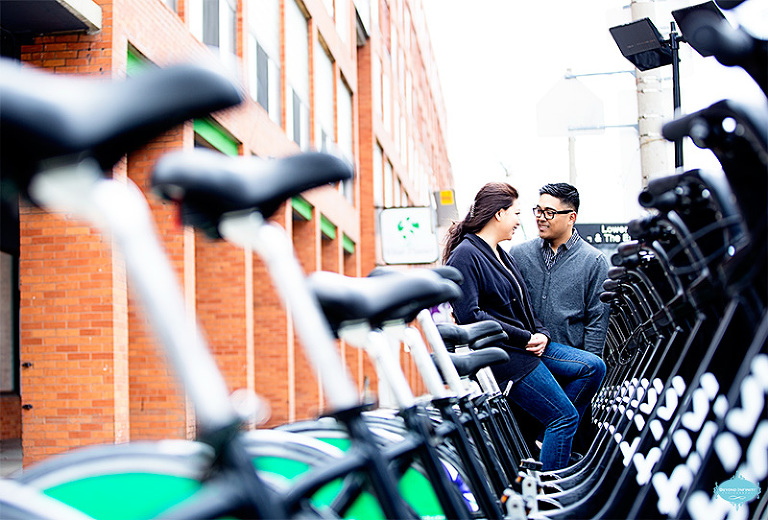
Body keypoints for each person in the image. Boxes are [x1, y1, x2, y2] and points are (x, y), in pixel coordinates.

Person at [442, 182, 605, 471]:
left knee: (594, 367)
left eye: (546, 212)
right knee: (564, 417)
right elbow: (469, 315)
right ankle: (548, 489)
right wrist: (525, 336)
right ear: (499, 214)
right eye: (518, 213)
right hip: (508, 355)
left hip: (527, 347)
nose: (524, 220)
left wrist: (541, 333)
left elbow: (525, 307)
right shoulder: (467, 254)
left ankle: (546, 439)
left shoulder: (502, 255)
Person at [510, 183, 610, 359]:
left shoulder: (594, 261)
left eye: (549, 212)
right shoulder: (519, 254)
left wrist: (589, 365)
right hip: (526, 360)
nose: (541, 218)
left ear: (571, 217)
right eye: (538, 211)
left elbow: (596, 322)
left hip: (570, 362)